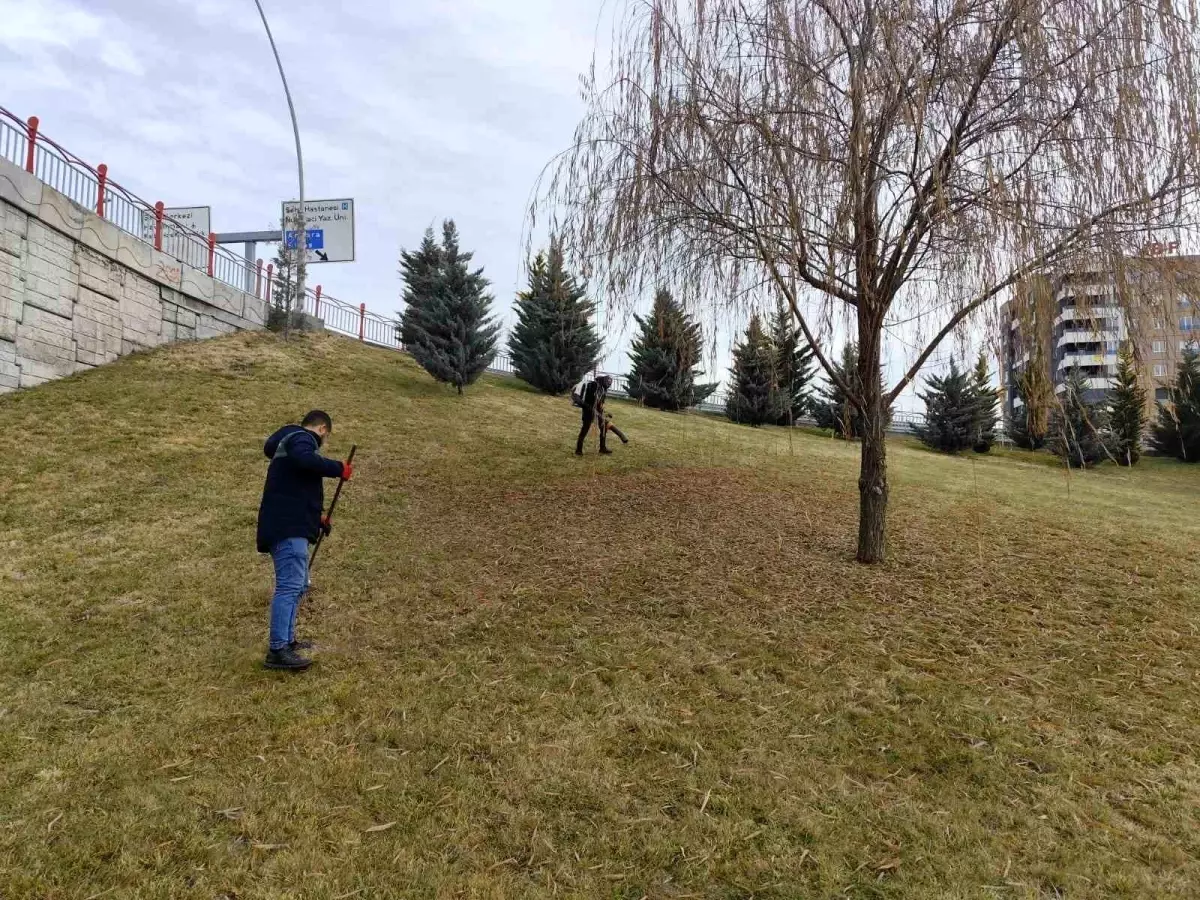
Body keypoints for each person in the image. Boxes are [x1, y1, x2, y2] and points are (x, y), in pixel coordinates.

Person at [256, 409, 352, 671]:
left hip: (290, 523)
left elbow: (296, 492)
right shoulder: (300, 438)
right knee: (289, 586)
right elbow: (304, 460)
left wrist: (317, 519)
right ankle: (277, 650)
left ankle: (287, 642)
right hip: (287, 528)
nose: (322, 442)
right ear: (321, 429)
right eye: (325, 436)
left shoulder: (288, 446)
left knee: (296, 585)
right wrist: (337, 468)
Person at [576, 375, 614, 456]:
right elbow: (587, 400)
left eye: (610, 382)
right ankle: (578, 450)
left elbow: (600, 403)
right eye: (608, 382)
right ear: (604, 380)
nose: (609, 384)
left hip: (598, 412)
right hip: (588, 411)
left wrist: (605, 413)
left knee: (603, 428)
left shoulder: (603, 389)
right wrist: (590, 408)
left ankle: (602, 448)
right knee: (585, 429)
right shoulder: (594, 386)